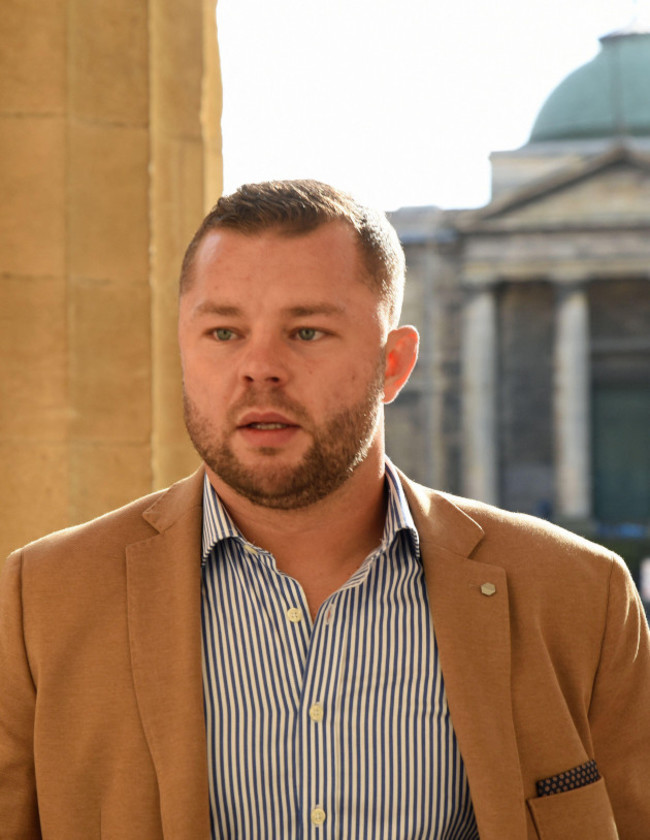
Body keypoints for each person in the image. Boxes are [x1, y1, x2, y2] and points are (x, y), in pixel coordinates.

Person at [1, 180, 649, 840]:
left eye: (307, 331)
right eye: (223, 331)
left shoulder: (579, 596)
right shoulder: (42, 602)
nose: (259, 368)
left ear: (393, 365)